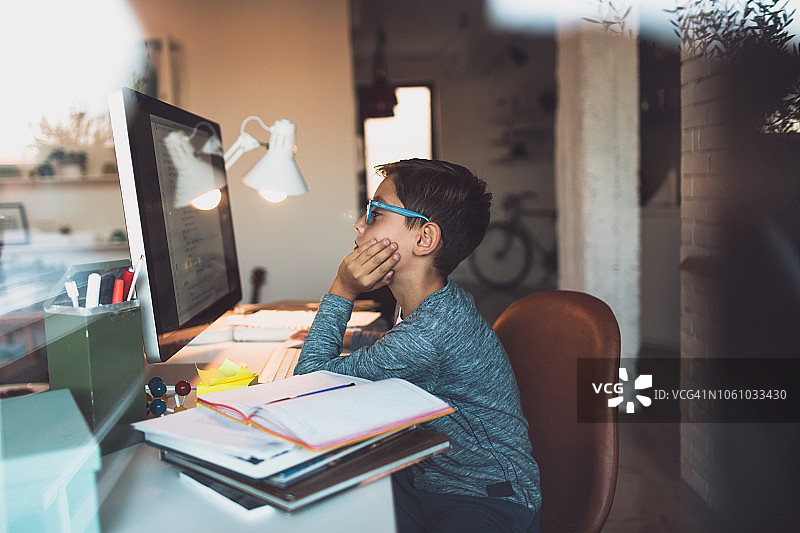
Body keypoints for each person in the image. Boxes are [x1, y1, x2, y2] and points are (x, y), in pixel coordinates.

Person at [294, 159, 541, 533]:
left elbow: (308, 380)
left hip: (486, 498)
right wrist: (351, 337)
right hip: (428, 480)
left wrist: (341, 291)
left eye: (375, 213)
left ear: (424, 239)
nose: (359, 225)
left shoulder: (430, 333)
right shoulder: (435, 303)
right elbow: (395, 345)